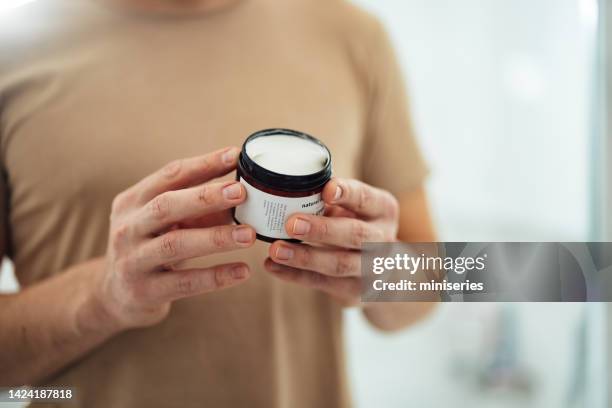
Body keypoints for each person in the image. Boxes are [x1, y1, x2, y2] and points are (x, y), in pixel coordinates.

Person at [0, 0, 437, 406]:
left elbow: (442, 282)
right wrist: (101, 297)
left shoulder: (354, 33)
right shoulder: (14, 50)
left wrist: (383, 270)